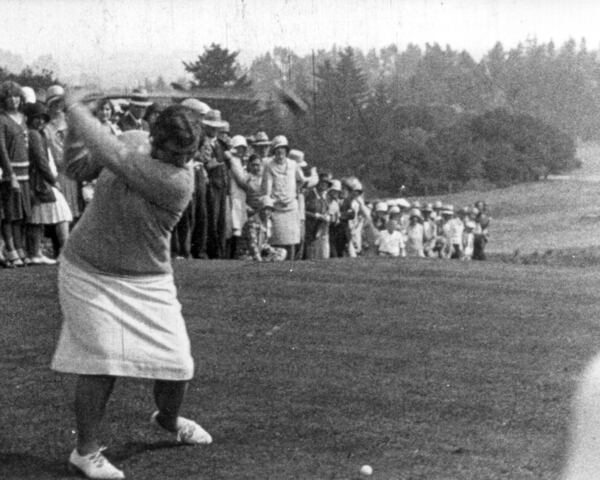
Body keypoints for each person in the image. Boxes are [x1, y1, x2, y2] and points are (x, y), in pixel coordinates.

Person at [51, 98, 212, 480]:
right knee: (102, 360)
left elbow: (114, 156)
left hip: (148, 280)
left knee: (178, 367)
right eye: (176, 152)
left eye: (188, 153)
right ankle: (85, 452)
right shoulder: (133, 140)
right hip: (87, 269)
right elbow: (77, 167)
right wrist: (76, 130)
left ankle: (168, 420)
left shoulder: (177, 181)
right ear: (155, 140)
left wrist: (74, 109)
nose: (183, 160)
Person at [24, 101, 71, 264]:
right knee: (62, 211)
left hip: (37, 180)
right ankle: (64, 252)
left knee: (37, 217)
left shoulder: (37, 133)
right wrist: (52, 180)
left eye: (43, 118)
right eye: (37, 118)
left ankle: (35, 252)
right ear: (30, 118)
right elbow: (40, 161)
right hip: (40, 181)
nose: (41, 121)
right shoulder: (34, 135)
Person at [261, 135, 308, 260]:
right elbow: (267, 189)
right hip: (277, 208)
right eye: (277, 149)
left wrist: (296, 190)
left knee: (291, 240)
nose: (280, 151)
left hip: (291, 207)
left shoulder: (293, 164)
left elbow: (301, 180)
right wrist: (269, 204)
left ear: (286, 150)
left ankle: (290, 266)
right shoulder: (269, 166)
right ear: (274, 151)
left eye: (282, 148)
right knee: (276, 240)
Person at [0, 81, 31, 266]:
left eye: (17, 96)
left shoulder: (24, 118)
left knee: (21, 214)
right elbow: (1, 148)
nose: (14, 100)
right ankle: (10, 248)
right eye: (10, 96)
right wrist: (10, 174)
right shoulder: (2, 119)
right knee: (10, 214)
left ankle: (20, 247)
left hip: (26, 171)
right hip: (10, 172)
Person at [200, 109, 229, 259]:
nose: (214, 129)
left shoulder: (220, 143)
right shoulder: (204, 143)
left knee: (220, 220)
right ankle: (212, 251)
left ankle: (219, 251)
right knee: (211, 217)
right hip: (211, 183)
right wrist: (219, 161)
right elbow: (206, 164)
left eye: (216, 126)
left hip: (221, 184)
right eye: (211, 127)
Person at [239, 195, 286, 262]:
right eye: (266, 209)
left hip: (260, 250)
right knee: (250, 258)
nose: (268, 212)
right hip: (248, 253)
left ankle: (265, 262)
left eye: (270, 209)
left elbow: (264, 243)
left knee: (282, 252)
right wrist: (258, 257)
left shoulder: (268, 222)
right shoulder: (252, 222)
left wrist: (269, 250)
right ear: (260, 210)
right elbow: (252, 243)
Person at [227, 135, 249, 258]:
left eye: (243, 148)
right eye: (238, 148)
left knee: (239, 221)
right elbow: (240, 181)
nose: (241, 150)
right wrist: (251, 187)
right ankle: (232, 253)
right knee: (235, 222)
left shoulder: (239, 162)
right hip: (235, 193)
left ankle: (236, 253)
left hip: (240, 195)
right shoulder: (233, 161)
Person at [305, 172, 333, 259]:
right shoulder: (309, 194)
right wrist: (314, 215)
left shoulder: (327, 197)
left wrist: (327, 216)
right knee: (311, 251)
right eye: (322, 182)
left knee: (323, 252)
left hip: (322, 227)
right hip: (309, 226)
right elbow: (302, 211)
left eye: (326, 183)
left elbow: (328, 209)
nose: (324, 185)